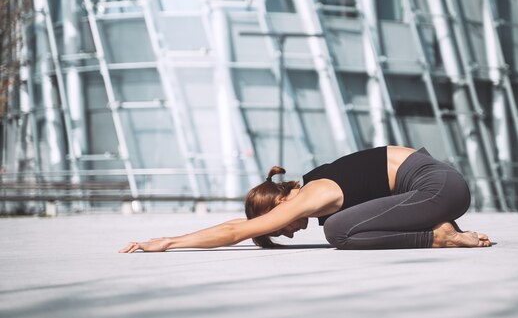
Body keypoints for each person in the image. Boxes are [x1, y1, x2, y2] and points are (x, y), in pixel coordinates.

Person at [119, 146, 491, 253]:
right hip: (434, 187)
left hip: (438, 188)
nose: (291, 233)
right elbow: (242, 227)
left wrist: (169, 242)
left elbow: (237, 233)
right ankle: (439, 225)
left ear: (279, 204)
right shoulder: (316, 184)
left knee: (340, 232)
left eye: (280, 228)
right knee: (343, 223)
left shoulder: (311, 194)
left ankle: (439, 236)